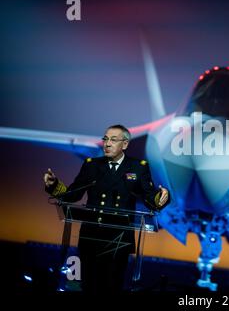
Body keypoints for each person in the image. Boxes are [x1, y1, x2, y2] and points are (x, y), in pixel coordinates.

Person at [44, 124, 170, 292]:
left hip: (119, 240)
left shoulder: (138, 167)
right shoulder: (92, 165)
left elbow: (149, 197)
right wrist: (54, 186)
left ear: (125, 144)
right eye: (105, 139)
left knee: (112, 286)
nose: (107, 143)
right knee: (88, 286)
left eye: (113, 140)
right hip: (91, 237)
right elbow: (73, 195)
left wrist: (160, 198)